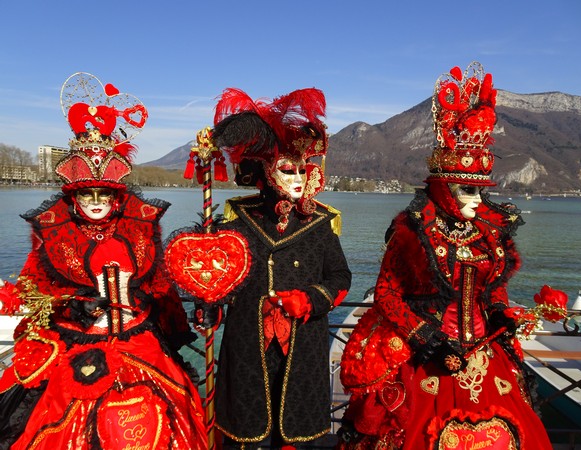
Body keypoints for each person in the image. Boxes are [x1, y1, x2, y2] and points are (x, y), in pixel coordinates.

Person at [337, 63, 553, 450]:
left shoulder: (489, 234)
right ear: (442, 187)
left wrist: (502, 312)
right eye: (465, 191)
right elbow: (387, 295)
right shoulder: (411, 232)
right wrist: (425, 336)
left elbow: (492, 290)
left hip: (485, 354)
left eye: (479, 192)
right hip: (426, 353)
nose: (476, 202)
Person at [0, 73, 208, 450]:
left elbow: (159, 283)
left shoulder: (141, 226)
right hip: (76, 343)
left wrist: (184, 318)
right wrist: (70, 304)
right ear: (73, 195)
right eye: (86, 193)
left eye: (104, 194)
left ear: (116, 196)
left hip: (139, 339)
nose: (95, 201)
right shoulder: (53, 231)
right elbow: (37, 289)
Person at [204, 87, 352, 449]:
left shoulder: (320, 223)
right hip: (247, 340)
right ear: (266, 171)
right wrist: (208, 303)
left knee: (294, 430)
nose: (299, 178)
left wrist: (311, 300)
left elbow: (340, 278)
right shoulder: (236, 220)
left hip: (303, 340)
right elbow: (219, 277)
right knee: (247, 430)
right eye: (288, 170)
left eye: (303, 169)